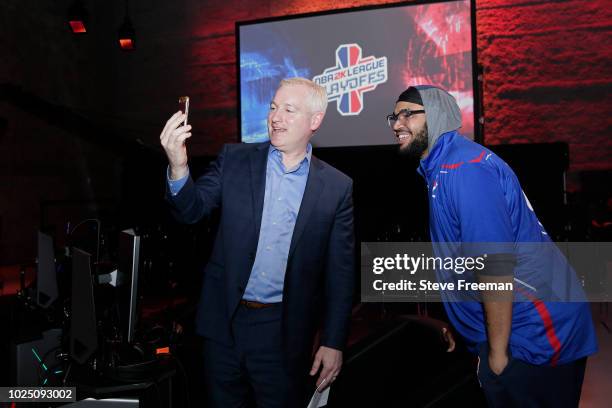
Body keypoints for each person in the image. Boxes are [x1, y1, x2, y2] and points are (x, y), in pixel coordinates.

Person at [386, 85, 598, 407]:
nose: (397, 124)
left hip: (533, 331)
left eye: (407, 114)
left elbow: (493, 266)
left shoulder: (465, 170)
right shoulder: (441, 167)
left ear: (438, 116)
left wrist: (498, 354)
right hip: (514, 326)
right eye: (394, 116)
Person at [160, 77, 355, 407]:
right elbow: (190, 211)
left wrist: (334, 341)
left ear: (315, 120)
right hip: (223, 325)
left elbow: (341, 272)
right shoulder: (235, 160)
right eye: (273, 107)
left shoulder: (336, 187)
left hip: (283, 332)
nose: (276, 117)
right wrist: (178, 166)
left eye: (289, 110)